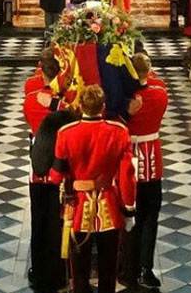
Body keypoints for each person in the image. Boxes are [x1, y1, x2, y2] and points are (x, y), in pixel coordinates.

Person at [50, 85, 136, 293]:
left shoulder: (66, 133)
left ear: (80, 107)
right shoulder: (119, 132)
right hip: (109, 205)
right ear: (103, 107)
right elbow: (127, 175)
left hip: (78, 208)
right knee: (108, 272)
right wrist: (129, 209)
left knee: (79, 273)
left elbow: (56, 176)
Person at [125, 53, 168, 292]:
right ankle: (145, 267)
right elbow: (157, 85)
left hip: (129, 160)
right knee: (150, 216)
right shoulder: (159, 94)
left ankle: (128, 267)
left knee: (130, 215)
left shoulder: (125, 99)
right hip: (151, 160)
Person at [28, 110, 75, 293]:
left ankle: (39, 273)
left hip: (38, 180)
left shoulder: (43, 134)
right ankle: (58, 276)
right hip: (57, 182)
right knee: (56, 229)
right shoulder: (64, 132)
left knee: (39, 226)